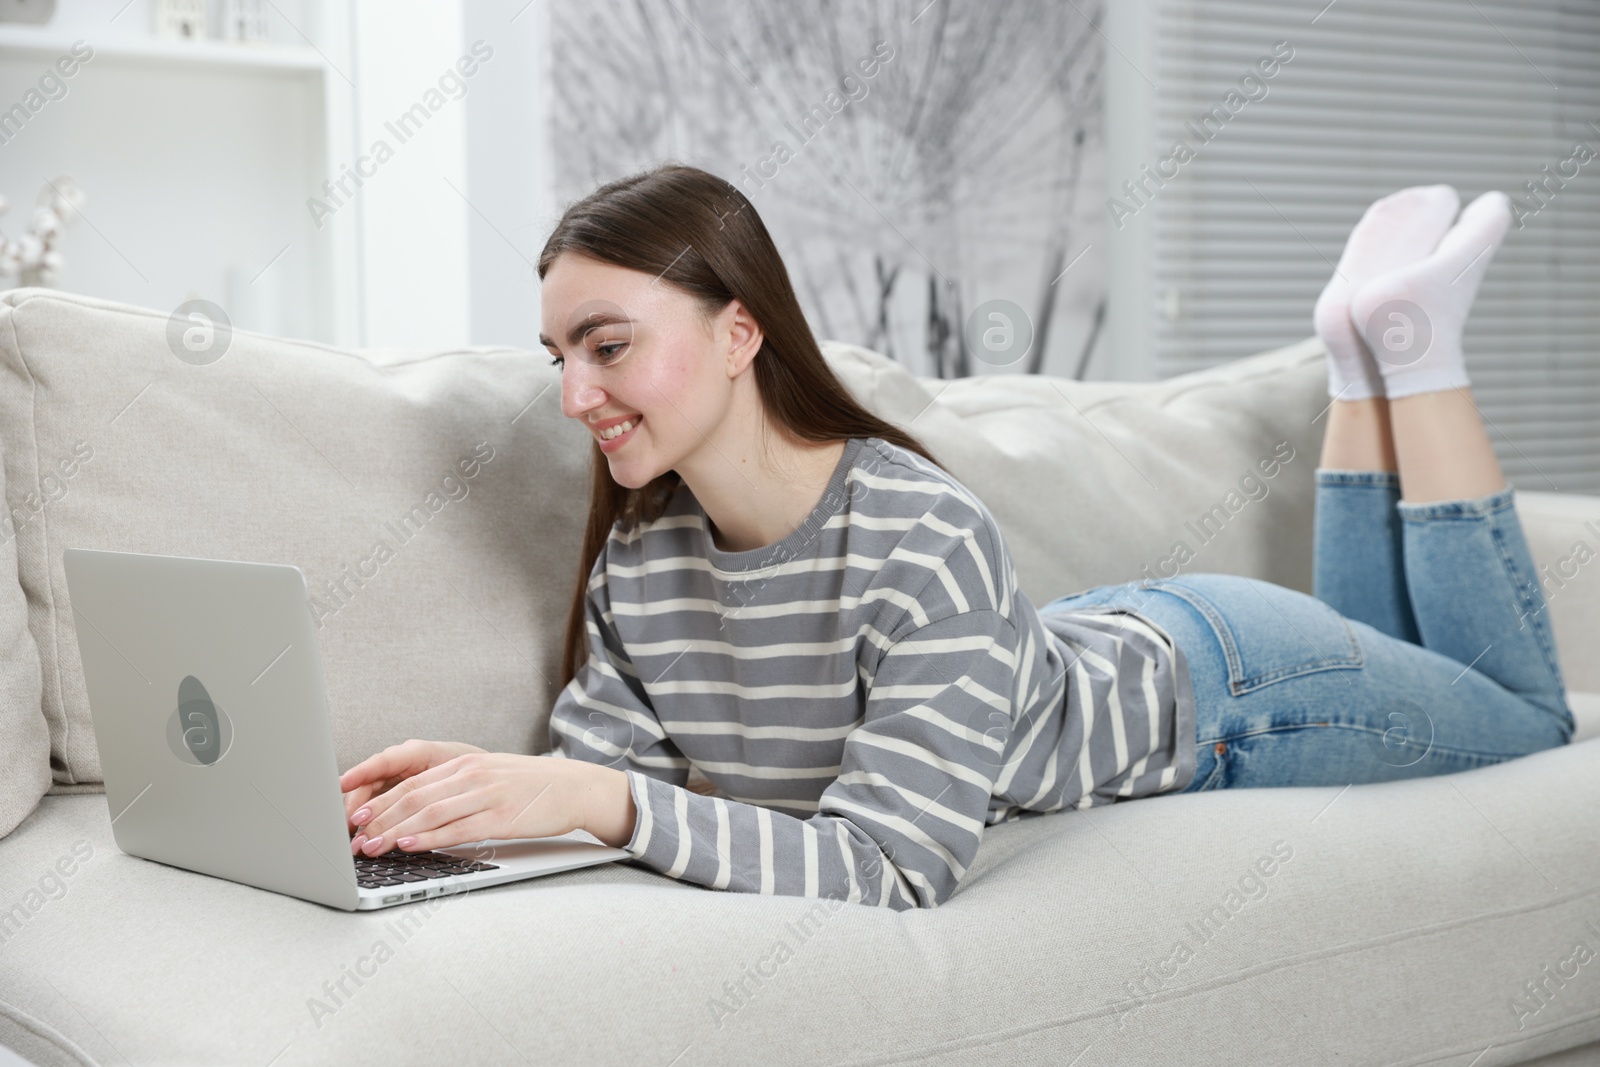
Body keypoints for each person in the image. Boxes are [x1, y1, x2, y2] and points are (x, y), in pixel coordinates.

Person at [339, 166, 1573, 911]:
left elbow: (890, 865)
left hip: (1231, 689)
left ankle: (1411, 349)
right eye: (559, 355)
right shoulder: (643, 559)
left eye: (607, 344)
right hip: (1106, 637)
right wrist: (476, 801)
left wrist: (601, 800)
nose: (574, 394)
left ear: (738, 330)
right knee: (1416, 655)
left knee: (1526, 718)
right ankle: (1357, 354)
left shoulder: (913, 530)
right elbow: (615, 790)